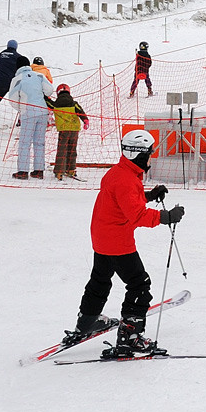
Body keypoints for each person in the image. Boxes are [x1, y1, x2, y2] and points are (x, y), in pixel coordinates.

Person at [62, 130, 185, 357]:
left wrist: (149, 195)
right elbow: (136, 215)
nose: (151, 157)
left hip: (102, 236)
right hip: (117, 241)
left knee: (100, 280)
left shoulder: (120, 173)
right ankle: (131, 337)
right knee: (139, 285)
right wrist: (166, 217)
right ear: (139, 155)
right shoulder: (127, 180)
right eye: (149, 153)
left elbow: (124, 201)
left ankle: (87, 322)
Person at [8, 59, 53, 179]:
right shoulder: (39, 75)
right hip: (43, 112)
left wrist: (21, 108)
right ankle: (38, 170)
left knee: (25, 142)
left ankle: (23, 171)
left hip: (28, 113)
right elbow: (49, 90)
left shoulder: (17, 79)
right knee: (39, 142)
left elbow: (12, 99)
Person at [46, 84, 89, 180]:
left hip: (63, 130)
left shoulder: (56, 104)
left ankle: (59, 172)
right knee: (72, 150)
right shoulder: (74, 103)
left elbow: (49, 103)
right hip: (74, 130)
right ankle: (71, 169)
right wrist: (85, 120)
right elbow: (80, 111)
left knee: (62, 150)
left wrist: (44, 96)